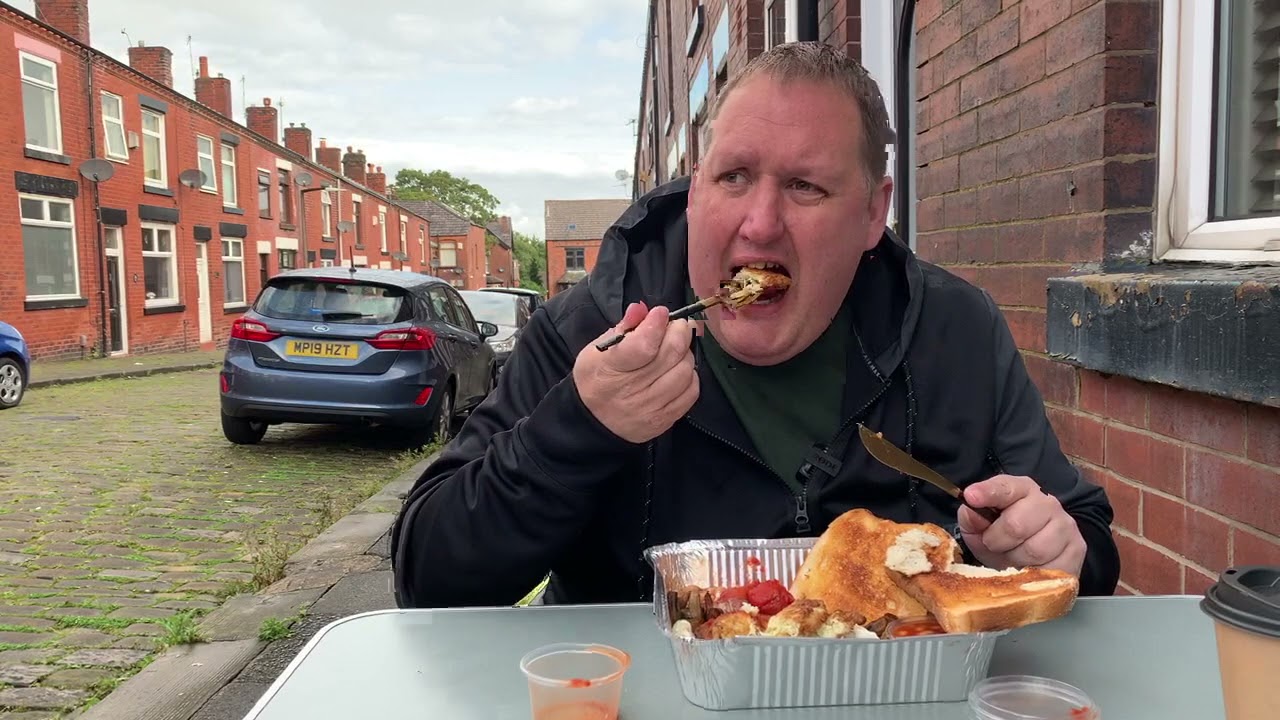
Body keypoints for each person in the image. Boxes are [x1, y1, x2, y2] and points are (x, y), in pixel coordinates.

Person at [389, 42, 1120, 609]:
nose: (760, 223)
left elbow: (1084, 541)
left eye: (805, 186)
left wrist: (1054, 552)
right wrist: (577, 429)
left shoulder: (954, 331)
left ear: (873, 211)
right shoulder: (593, 325)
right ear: (695, 188)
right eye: (733, 177)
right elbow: (428, 578)